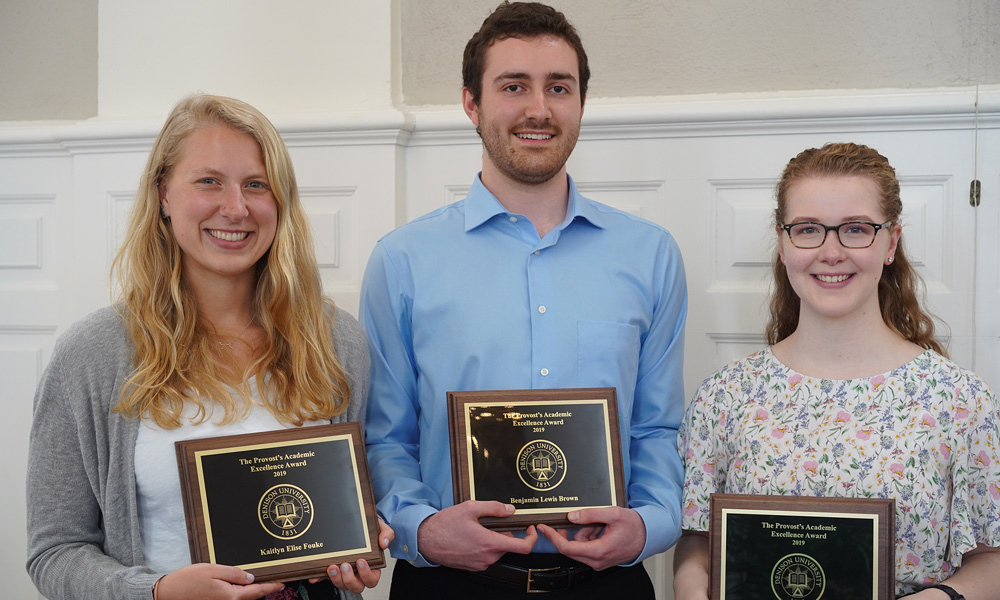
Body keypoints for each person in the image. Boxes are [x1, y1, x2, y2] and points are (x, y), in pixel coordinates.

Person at [359, 2, 687, 598]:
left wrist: (647, 526)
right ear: (471, 102)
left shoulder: (651, 255)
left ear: (580, 102)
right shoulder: (402, 261)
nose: (539, 109)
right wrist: (422, 530)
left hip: (606, 583)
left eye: (558, 87)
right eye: (514, 86)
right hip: (449, 585)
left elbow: (657, 429)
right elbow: (386, 437)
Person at [26, 94, 392, 600]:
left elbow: (345, 509)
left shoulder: (333, 339)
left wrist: (359, 543)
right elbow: (55, 551)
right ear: (163, 195)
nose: (236, 207)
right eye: (209, 181)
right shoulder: (91, 356)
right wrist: (156, 592)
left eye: (256, 185)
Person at [673, 142, 1000, 599]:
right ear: (783, 243)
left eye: (855, 229)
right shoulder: (724, 396)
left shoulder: (960, 401)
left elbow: (990, 559)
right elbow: (697, 543)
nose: (831, 252)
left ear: (890, 242)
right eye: (808, 229)